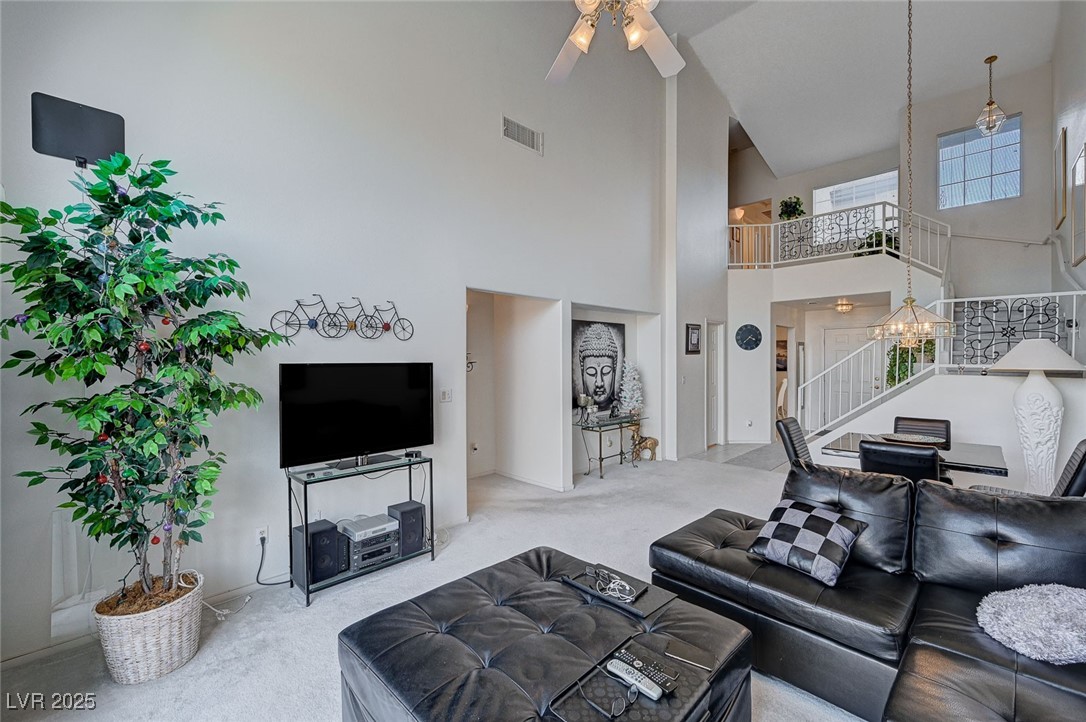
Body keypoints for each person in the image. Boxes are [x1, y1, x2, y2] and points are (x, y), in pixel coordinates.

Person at [578, 323, 619, 410]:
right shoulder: (574, 415)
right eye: (591, 372)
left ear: (614, 373)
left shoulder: (622, 408)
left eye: (606, 371)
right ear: (583, 374)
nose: (599, 383)